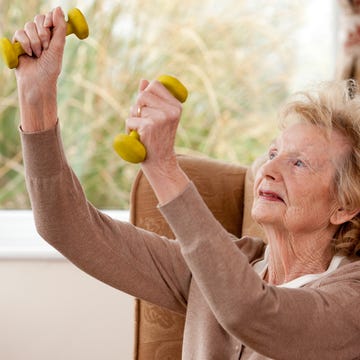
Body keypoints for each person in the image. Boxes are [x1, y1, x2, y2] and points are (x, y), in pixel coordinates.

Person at [14, 7, 360, 360]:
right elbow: (65, 225)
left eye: (299, 163)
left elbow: (252, 312)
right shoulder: (217, 265)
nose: (269, 169)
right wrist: (36, 98)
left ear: (344, 205)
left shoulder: (352, 297)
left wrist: (164, 169)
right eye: (273, 153)